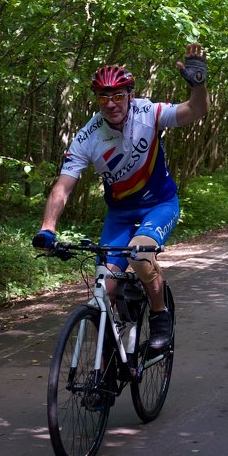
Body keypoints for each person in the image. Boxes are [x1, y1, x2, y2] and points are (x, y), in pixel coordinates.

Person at [33, 43, 210, 350]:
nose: (111, 103)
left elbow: (196, 111)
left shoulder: (149, 113)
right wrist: (48, 227)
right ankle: (109, 367)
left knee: (140, 254)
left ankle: (159, 315)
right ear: (97, 100)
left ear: (130, 94)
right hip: (120, 215)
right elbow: (62, 187)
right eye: (104, 96)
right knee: (104, 288)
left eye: (118, 95)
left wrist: (199, 86)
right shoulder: (87, 136)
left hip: (159, 205)